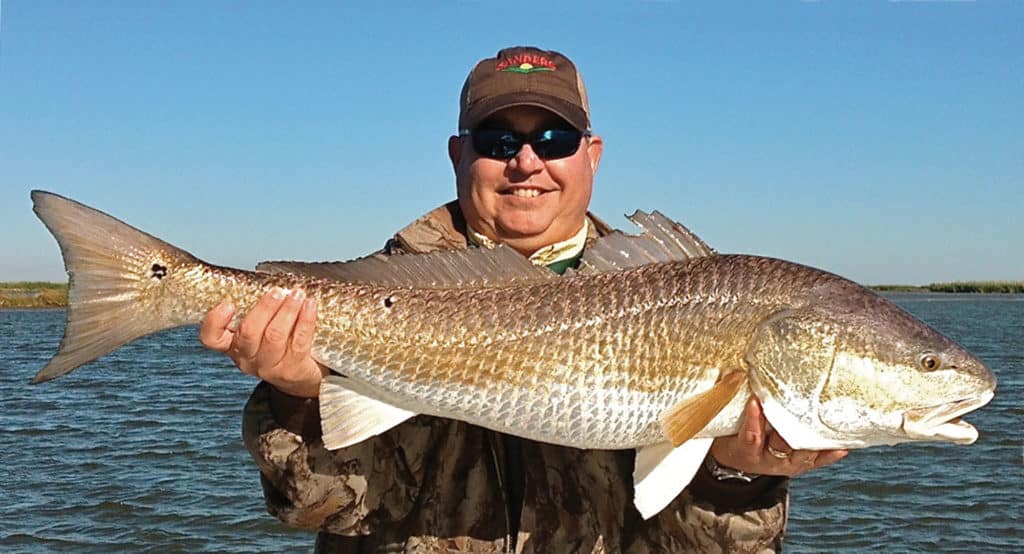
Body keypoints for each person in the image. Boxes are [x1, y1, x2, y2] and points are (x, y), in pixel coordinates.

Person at [200, 46, 846, 553]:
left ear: (592, 155)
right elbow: (319, 511)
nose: (528, 162)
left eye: (555, 140)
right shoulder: (380, 290)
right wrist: (298, 397)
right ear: (460, 153)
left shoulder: (676, 288)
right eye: (499, 142)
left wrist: (736, 474)